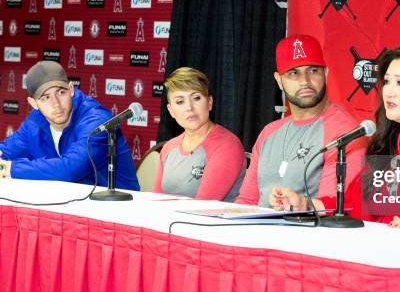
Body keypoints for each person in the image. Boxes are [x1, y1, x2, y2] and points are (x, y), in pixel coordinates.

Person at [269, 43, 400, 221]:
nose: (389, 91)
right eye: (387, 82)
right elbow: (352, 203)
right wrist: (303, 203)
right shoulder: (390, 140)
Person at [235, 34, 366, 207]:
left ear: (326, 73)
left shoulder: (345, 132)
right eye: (293, 73)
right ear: (279, 81)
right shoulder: (269, 132)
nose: (305, 81)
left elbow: (333, 207)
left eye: (313, 70)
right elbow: (246, 201)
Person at [0, 61, 139, 190]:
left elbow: (70, 169)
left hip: (119, 209)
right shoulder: (34, 122)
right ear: (33, 103)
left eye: (61, 92)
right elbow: (5, 151)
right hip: (72, 206)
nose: (56, 104)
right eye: (46, 97)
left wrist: (9, 169)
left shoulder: (97, 119)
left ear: (71, 89)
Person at [153, 67, 245, 201]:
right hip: (170, 220)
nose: (189, 107)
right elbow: (156, 200)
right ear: (171, 111)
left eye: (196, 98)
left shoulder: (227, 145)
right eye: (180, 101)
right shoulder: (169, 148)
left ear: (209, 102)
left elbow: (203, 206)